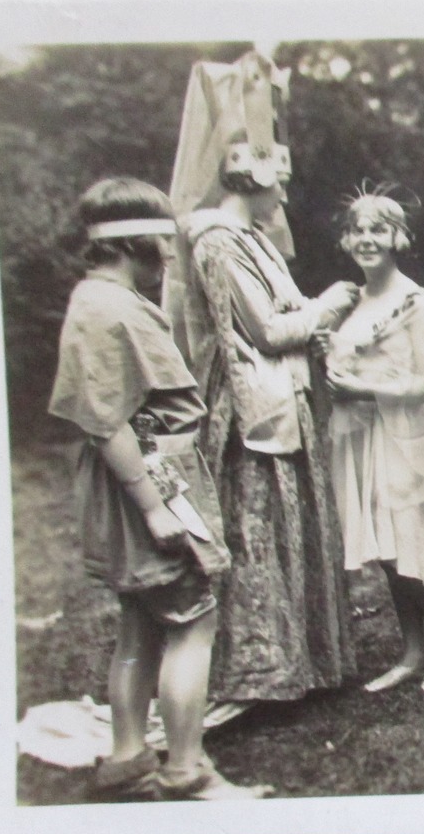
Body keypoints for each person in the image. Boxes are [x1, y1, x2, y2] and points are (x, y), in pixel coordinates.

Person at [48, 177, 268, 800]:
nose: (170, 257)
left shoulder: (92, 299)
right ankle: (186, 768)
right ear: (134, 242)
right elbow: (106, 419)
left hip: (140, 475)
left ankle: (126, 757)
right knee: (193, 620)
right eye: (163, 243)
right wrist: (155, 506)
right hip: (152, 478)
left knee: (140, 621)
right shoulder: (110, 308)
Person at [170, 92, 361, 704]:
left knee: (283, 523)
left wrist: (311, 318)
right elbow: (269, 331)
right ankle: (257, 670)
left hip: (282, 391)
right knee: (257, 527)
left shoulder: (249, 237)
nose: (284, 190)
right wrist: (331, 301)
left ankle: (298, 660)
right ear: (252, 177)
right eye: (278, 177)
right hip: (252, 404)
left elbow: (284, 317)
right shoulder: (219, 243)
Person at [315, 186, 424, 694]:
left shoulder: (415, 302)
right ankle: (412, 649)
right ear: (345, 240)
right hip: (360, 437)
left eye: (378, 229)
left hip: (402, 437)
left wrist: (361, 387)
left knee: (408, 545)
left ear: (399, 237)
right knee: (383, 547)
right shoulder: (356, 301)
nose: (366, 239)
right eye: (357, 230)